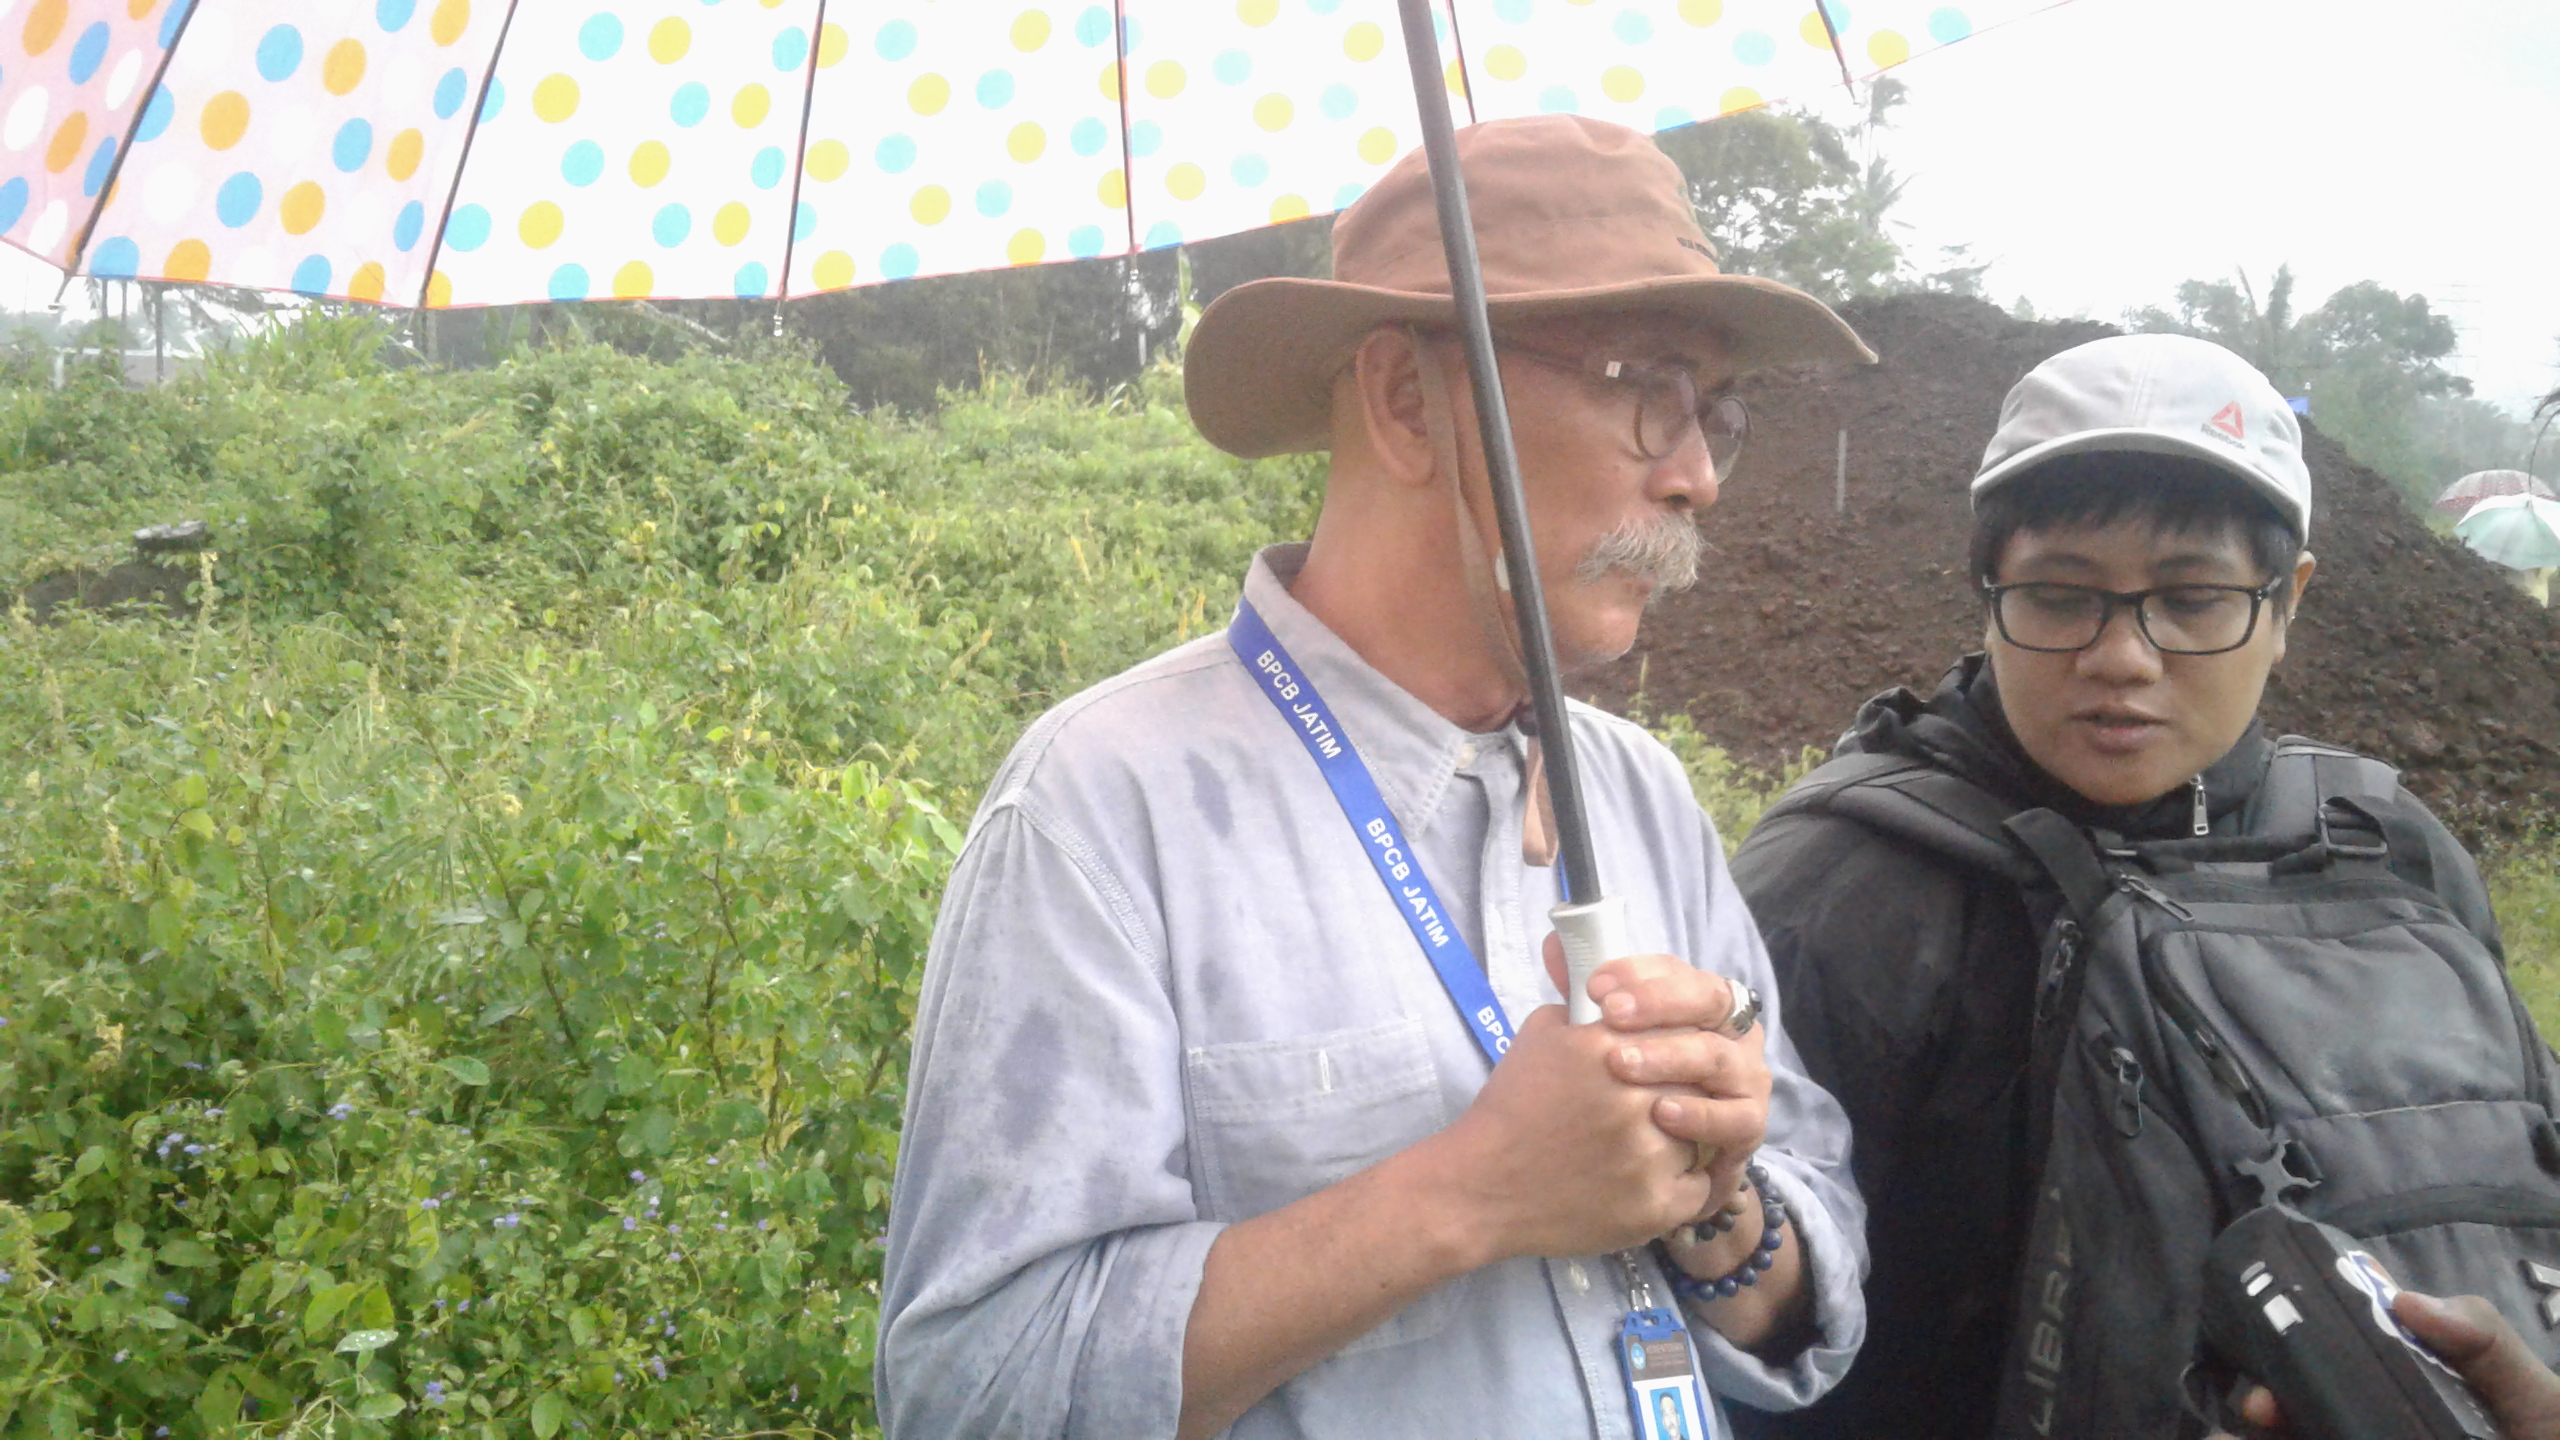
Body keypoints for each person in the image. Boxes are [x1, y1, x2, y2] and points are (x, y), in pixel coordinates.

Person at [877, 116, 1875, 1439]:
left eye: (1716, 411)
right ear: (1409, 400)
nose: (1694, 473)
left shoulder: (1638, 794)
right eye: (1647, 381)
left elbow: (1818, 1278)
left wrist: (1717, 1196)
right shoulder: (1104, 804)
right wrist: (1472, 1194)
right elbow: (977, 1388)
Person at [1725, 333, 2534, 1440]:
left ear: (2286, 601)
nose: (2124, 658)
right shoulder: (1843, 885)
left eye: (2193, 599)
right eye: (2060, 596)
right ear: (1985, 588)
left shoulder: (2392, 849)